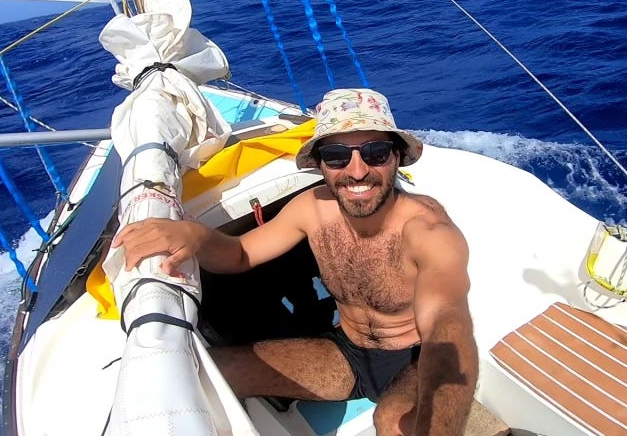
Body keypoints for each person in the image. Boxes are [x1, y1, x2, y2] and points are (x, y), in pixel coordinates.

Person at [112, 88, 478, 436]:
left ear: (396, 156)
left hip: (414, 358)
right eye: (336, 155)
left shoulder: (427, 229)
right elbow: (241, 255)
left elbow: (448, 324)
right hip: (347, 354)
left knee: (394, 423)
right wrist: (197, 236)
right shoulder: (311, 209)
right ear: (320, 164)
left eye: (375, 152)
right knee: (202, 376)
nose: (357, 170)